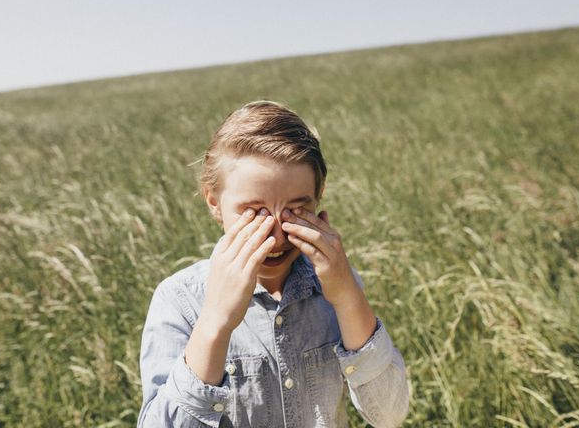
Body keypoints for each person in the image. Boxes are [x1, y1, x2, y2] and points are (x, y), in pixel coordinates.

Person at [137, 100, 409, 427]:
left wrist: (347, 297)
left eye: (297, 209)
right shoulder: (180, 299)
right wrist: (215, 322)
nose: (277, 235)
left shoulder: (337, 283)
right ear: (214, 202)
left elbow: (390, 415)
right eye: (253, 211)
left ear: (318, 196)